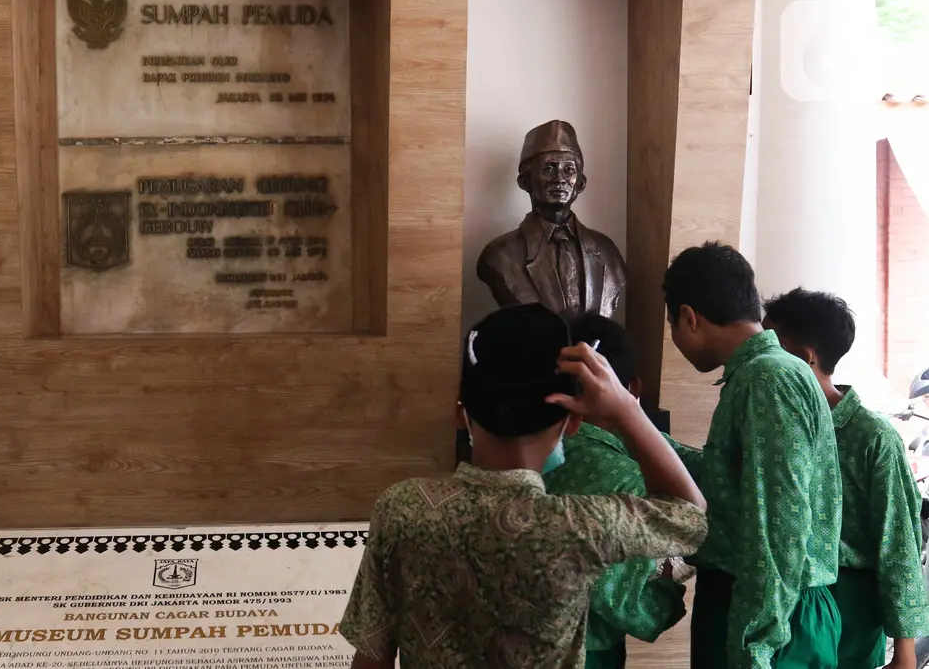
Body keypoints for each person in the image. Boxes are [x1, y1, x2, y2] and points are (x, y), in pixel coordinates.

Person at [339, 303, 707, 668]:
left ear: (459, 414)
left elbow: (372, 657)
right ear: (573, 424)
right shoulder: (582, 525)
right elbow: (690, 514)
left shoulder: (401, 507)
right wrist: (626, 409)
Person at [662, 242, 842, 668]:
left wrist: (755, 646)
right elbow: (733, 483)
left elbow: (778, 527)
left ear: (689, 317)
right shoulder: (767, 372)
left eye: (672, 325)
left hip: (770, 618)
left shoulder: (768, 378)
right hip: (765, 606)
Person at [764, 288, 929, 669]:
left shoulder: (871, 437)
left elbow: (899, 542)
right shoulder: (774, 424)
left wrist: (905, 650)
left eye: (772, 346)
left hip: (850, 605)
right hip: (784, 596)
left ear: (804, 357)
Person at [545, 314, 694, 668]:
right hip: (586, 654)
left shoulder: (526, 453)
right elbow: (632, 603)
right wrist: (668, 592)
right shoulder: (631, 480)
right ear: (633, 388)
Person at [476, 119, 627, 319]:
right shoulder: (499, 255)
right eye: (549, 168)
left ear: (580, 184)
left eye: (569, 169)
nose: (560, 179)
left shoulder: (607, 251)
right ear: (525, 182)